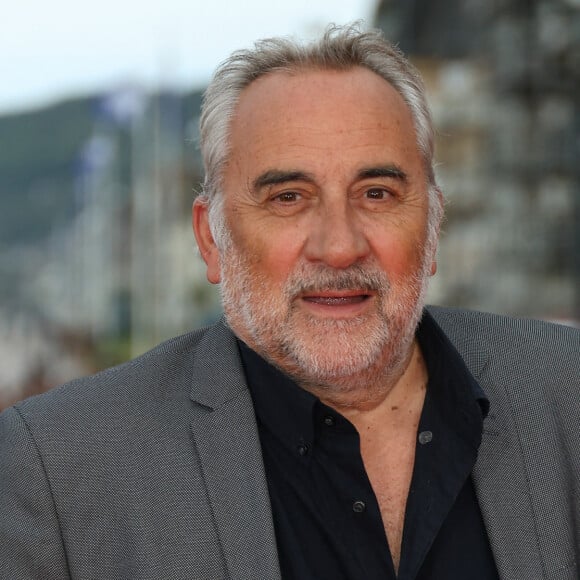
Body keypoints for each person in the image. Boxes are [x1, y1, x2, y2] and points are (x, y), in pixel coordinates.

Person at [1, 24, 578, 580]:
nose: (339, 246)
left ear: (432, 226)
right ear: (211, 239)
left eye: (376, 193)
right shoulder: (61, 467)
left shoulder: (567, 394)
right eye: (288, 198)